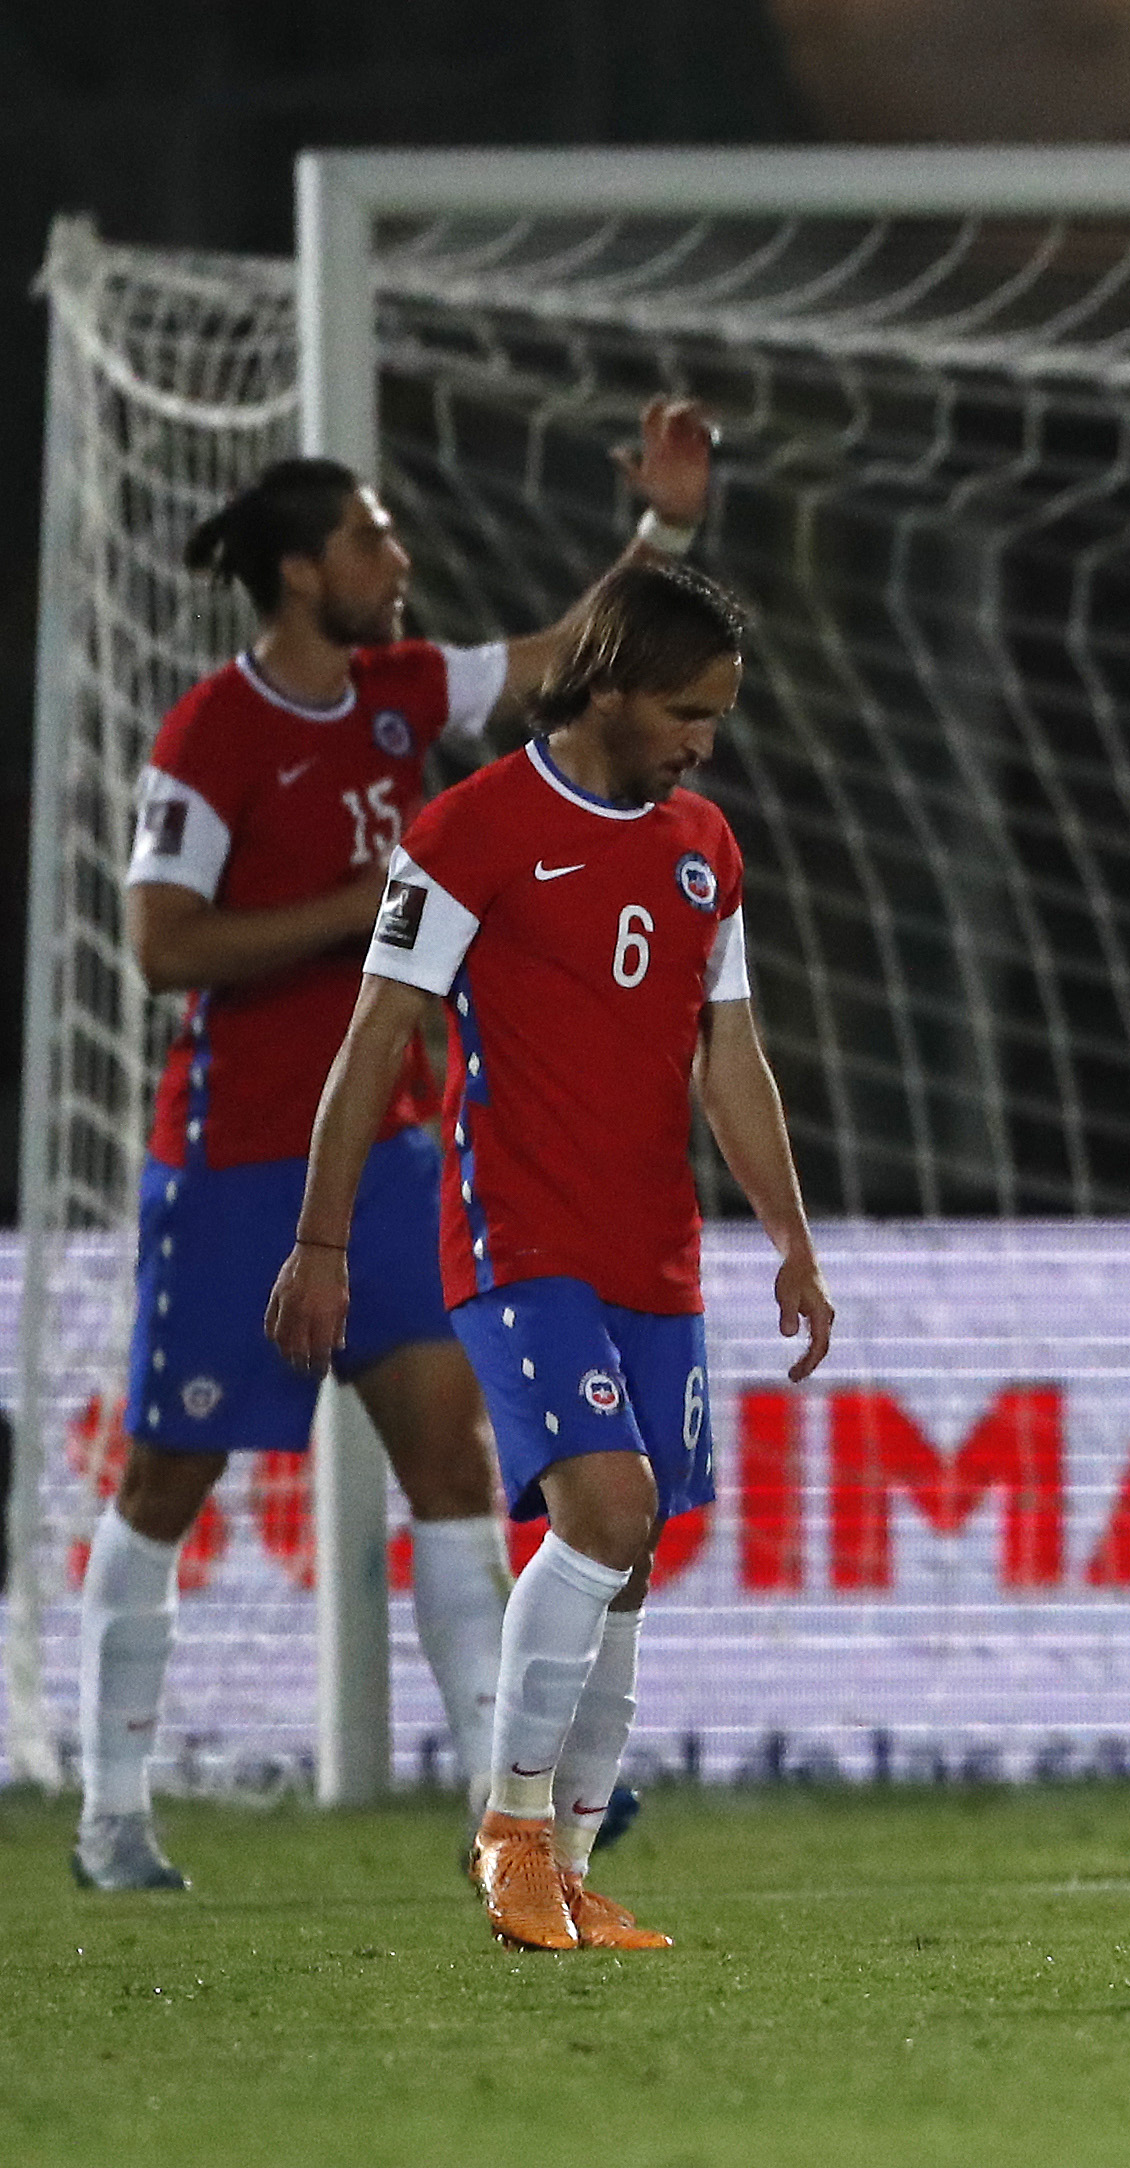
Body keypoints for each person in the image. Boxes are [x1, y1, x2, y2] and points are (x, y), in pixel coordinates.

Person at [78, 404, 718, 1893]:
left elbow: (572, 656)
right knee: (167, 1478)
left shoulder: (402, 691)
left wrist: (669, 531)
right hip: (236, 1165)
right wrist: (360, 905)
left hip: (402, 1161)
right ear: (304, 572)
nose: (398, 557)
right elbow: (161, 946)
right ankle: (112, 1814)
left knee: (451, 1463)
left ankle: (503, 1801)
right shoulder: (209, 735)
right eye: (369, 538)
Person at [268, 558, 834, 1951]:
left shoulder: (705, 845)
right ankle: (510, 1831)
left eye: (719, 717)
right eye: (690, 713)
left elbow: (731, 1053)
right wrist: (322, 1241)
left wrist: (791, 1237)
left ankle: (569, 1867)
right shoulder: (471, 831)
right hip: (516, 1239)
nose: (705, 743)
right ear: (614, 687)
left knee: (629, 1561)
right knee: (605, 1507)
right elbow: (376, 1038)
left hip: (655, 1251)